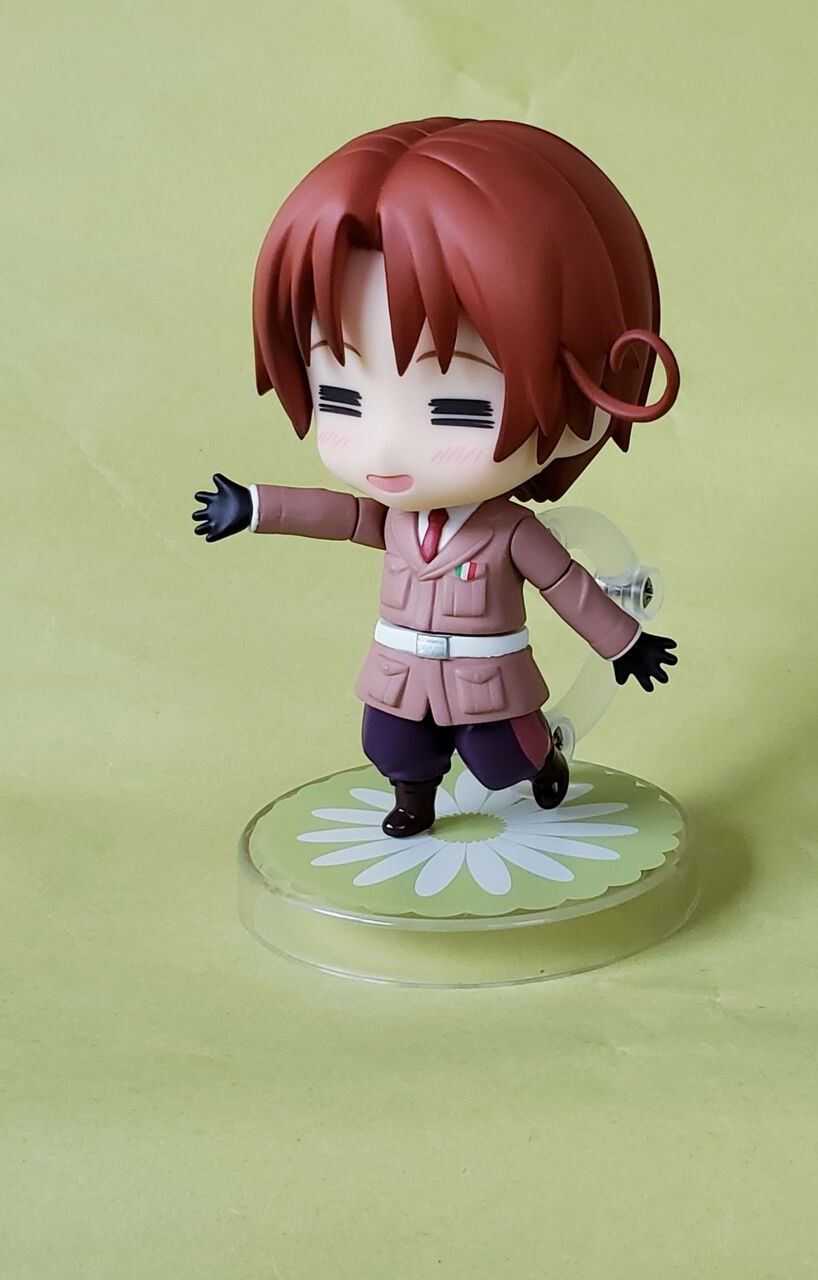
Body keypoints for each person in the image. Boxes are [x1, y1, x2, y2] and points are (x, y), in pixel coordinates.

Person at [193, 117, 679, 838]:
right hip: (400, 668)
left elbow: (567, 584)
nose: (388, 446)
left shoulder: (509, 531)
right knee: (392, 743)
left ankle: (545, 761)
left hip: (488, 679)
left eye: (456, 408)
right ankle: (412, 800)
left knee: (500, 758)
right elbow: (345, 516)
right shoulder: (394, 519)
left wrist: (623, 640)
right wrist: (257, 506)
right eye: (342, 398)